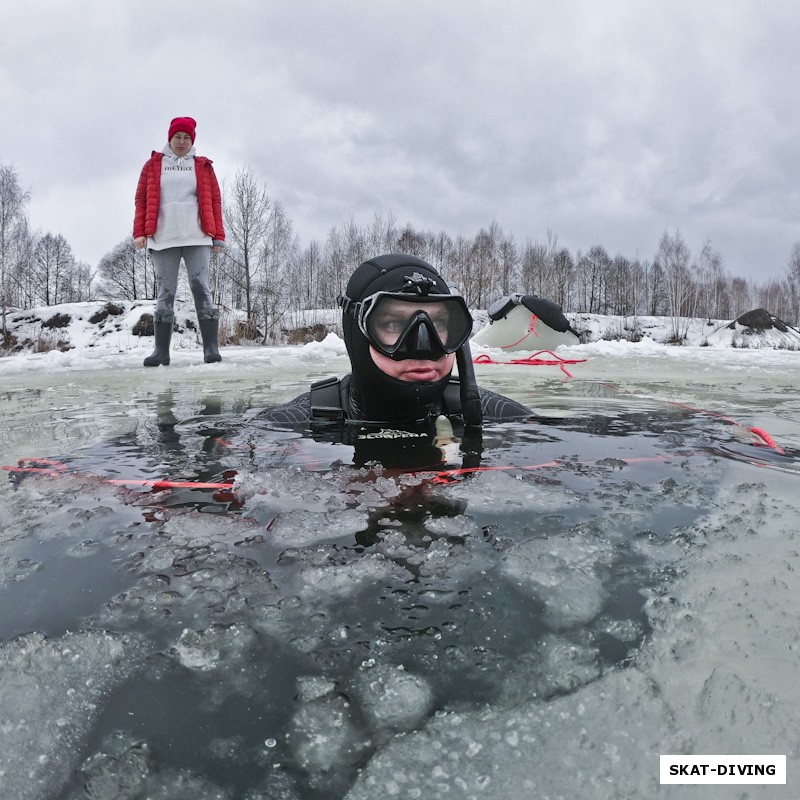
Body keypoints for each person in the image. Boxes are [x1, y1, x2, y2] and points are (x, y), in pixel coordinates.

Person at [259, 255, 533, 467]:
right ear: (357, 333)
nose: (423, 346)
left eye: (437, 323)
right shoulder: (287, 425)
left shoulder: (483, 411)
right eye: (392, 323)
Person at [133, 116, 225, 366]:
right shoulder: (153, 165)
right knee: (165, 292)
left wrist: (219, 235)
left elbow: (215, 200)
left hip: (197, 236)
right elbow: (141, 199)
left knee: (201, 288)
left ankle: (210, 349)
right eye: (177, 137)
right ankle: (161, 352)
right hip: (163, 238)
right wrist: (139, 232)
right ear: (169, 138)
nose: (181, 142)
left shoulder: (203, 166)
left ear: (192, 140)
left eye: (186, 137)